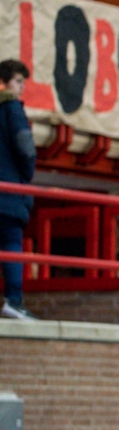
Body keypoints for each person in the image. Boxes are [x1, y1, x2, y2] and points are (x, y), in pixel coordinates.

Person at [0, 60, 36, 320]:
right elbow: (25, 147)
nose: (22, 87)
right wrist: (26, 175)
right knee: (11, 242)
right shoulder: (11, 107)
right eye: (19, 81)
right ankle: (14, 301)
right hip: (8, 192)